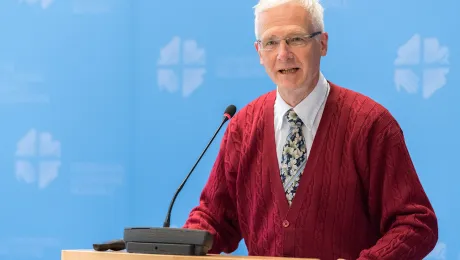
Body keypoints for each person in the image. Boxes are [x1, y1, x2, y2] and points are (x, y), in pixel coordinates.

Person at [183, 0, 438, 259]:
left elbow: (416, 223)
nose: (283, 54)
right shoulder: (242, 128)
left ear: (323, 43)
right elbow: (214, 219)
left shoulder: (370, 123)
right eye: (271, 42)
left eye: (296, 39)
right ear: (259, 52)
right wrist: (178, 247)